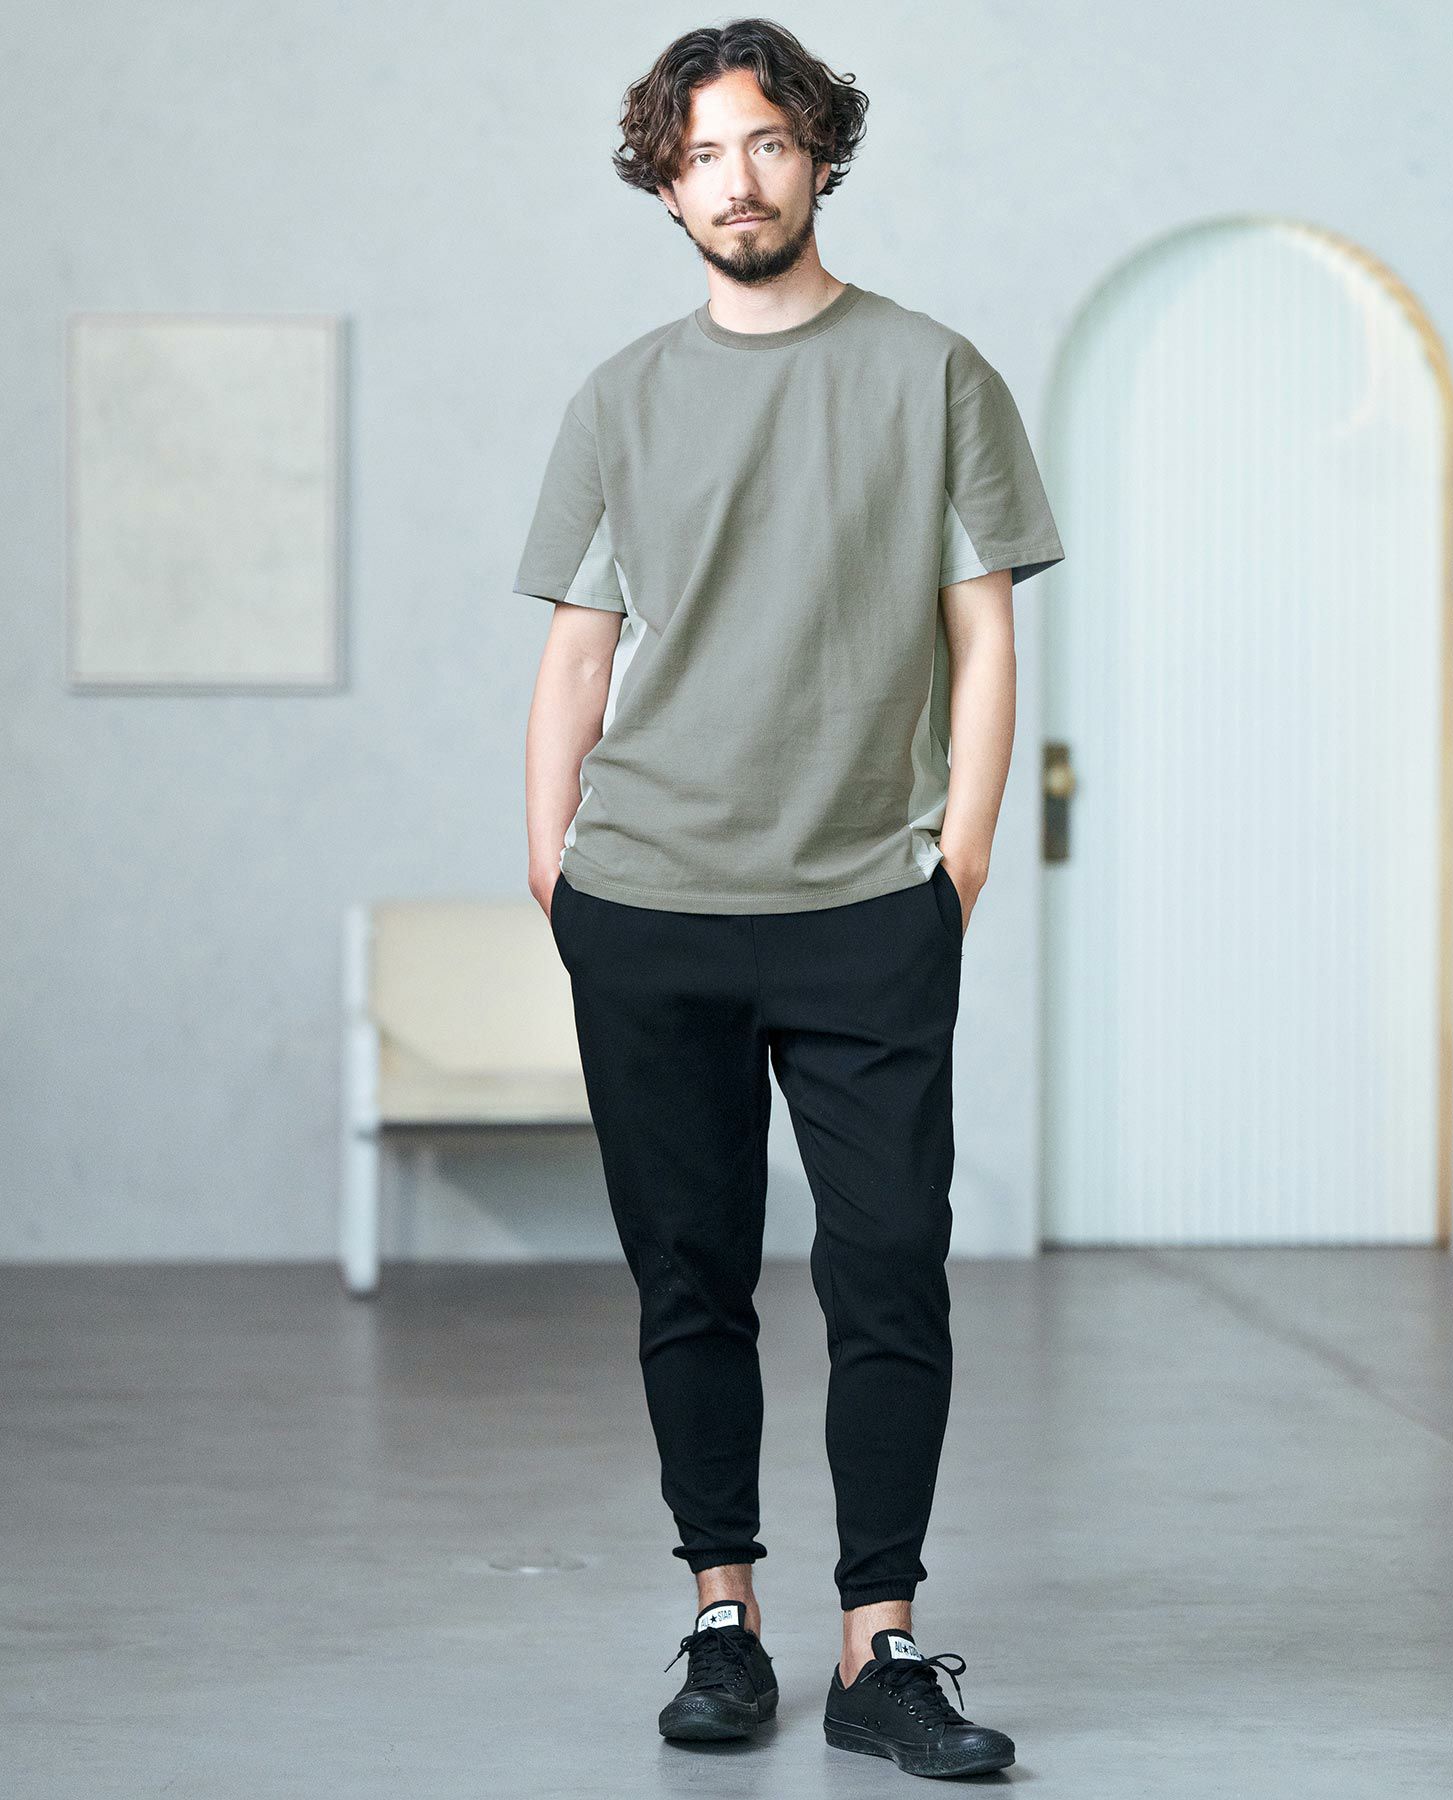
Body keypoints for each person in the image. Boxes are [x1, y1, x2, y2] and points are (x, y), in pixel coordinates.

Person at [512, 16, 1063, 1781]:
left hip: (866, 909)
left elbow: (984, 636)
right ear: (664, 185)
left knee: (889, 1268)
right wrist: (555, 865)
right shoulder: (619, 397)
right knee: (690, 1277)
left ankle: (879, 1651)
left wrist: (959, 858)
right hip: (648, 902)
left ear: (819, 154)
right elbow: (579, 650)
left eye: (763, 143)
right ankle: (723, 1620)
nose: (734, 182)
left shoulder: (935, 372)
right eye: (698, 155)